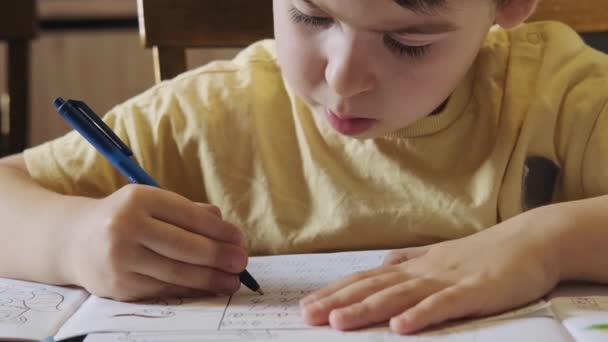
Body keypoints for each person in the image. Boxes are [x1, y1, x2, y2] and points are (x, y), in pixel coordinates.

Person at [0, 0, 607, 335]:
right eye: (311, 17)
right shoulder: (208, 116)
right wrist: (72, 239)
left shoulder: (556, 97)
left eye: (409, 42)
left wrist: (545, 243)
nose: (342, 78)